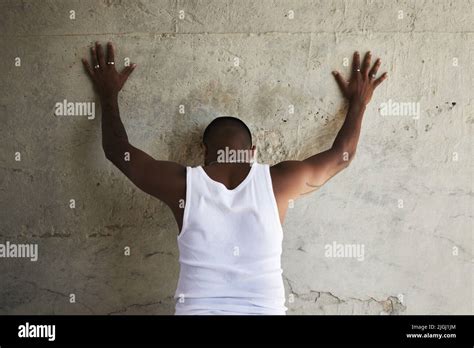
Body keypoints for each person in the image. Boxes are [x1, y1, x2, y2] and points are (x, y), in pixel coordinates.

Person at [82, 42, 387, 315]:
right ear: (252, 152)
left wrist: (108, 95)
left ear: (204, 152)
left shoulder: (183, 185)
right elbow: (342, 156)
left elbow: (117, 151)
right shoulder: (278, 182)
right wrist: (359, 102)